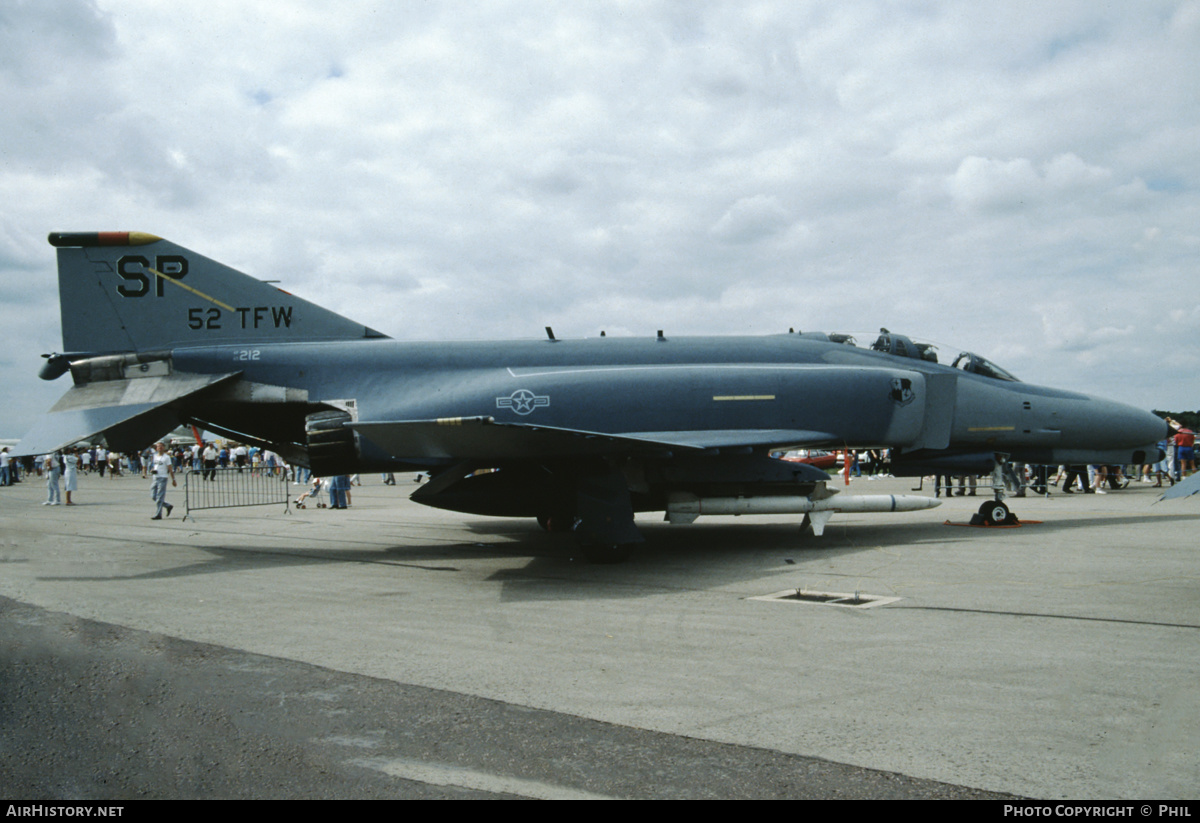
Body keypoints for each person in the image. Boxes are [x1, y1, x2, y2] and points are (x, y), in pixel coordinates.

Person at [149, 441, 176, 519]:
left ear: (164, 447)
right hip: (155, 477)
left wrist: (173, 479)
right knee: (153, 496)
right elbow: (155, 465)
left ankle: (158, 514)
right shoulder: (155, 456)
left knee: (160, 497)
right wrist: (152, 469)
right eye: (158, 446)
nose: (159, 448)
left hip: (163, 478)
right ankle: (168, 506)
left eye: (161, 446)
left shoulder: (166, 457)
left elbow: (170, 469)